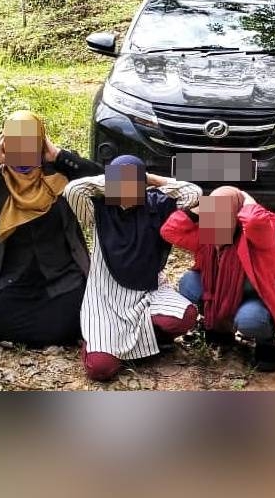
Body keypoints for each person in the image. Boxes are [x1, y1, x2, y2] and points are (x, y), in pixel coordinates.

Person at [0, 111, 103, 348]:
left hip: (61, 277)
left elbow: (104, 180)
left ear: (40, 141)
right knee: (0, 322)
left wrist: (57, 155)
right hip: (13, 280)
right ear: (5, 143)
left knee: (71, 319)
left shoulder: (61, 173)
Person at [63, 155, 201, 382]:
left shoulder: (156, 204)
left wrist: (149, 179)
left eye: (132, 183)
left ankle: (150, 339)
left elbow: (193, 192)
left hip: (149, 291)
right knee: (100, 369)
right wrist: (113, 178)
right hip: (106, 299)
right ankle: (106, 344)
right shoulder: (98, 209)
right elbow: (73, 190)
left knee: (185, 317)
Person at [160, 186, 275, 372]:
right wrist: (200, 208)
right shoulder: (206, 238)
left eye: (223, 214)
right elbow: (169, 231)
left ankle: (267, 342)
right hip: (224, 296)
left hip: (258, 300)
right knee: (188, 283)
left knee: (250, 320)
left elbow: (256, 220)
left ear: (237, 214)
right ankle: (221, 329)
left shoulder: (257, 239)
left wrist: (245, 197)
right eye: (212, 213)